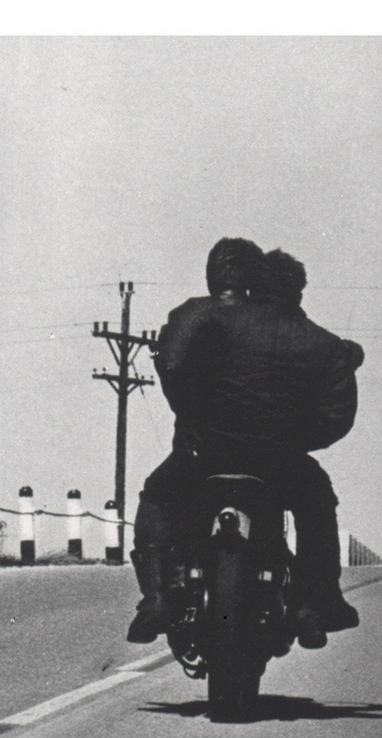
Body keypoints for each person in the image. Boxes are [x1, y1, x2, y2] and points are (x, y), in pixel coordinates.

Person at [127, 240, 363, 651]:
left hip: (206, 452)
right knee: (317, 503)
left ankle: (157, 598)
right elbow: (337, 416)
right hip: (279, 461)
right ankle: (313, 603)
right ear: (299, 290)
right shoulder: (323, 342)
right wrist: (293, 441)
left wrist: (194, 418)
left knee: (158, 496)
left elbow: (174, 366)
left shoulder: (207, 316)